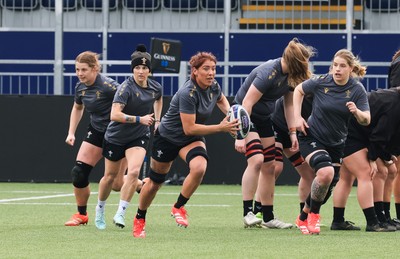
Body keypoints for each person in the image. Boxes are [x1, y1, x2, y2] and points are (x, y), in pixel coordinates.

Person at [132, 51, 239, 238]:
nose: (211, 73)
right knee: (155, 184)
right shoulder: (187, 93)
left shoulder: (213, 86)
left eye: (213, 68)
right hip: (167, 138)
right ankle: (140, 217)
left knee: (199, 167)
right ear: (195, 71)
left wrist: (231, 113)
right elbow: (189, 128)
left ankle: (179, 207)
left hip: (190, 139)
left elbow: (221, 99)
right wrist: (221, 127)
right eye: (206, 69)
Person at [234, 38, 316, 229]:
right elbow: (247, 103)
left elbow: (288, 105)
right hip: (244, 114)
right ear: (295, 62)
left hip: (263, 117)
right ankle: (248, 212)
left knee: (270, 166)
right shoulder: (268, 72)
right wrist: (241, 134)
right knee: (256, 160)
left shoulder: (290, 77)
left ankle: (268, 217)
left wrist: (293, 133)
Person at [293, 49, 371, 235]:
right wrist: (297, 117)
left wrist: (356, 112)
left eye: (342, 66)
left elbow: (366, 119)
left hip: (336, 143)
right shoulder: (321, 82)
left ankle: (303, 216)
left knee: (327, 184)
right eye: (334, 65)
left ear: (351, 68)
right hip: (311, 136)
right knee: (326, 172)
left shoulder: (356, 90)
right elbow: (298, 90)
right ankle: (314, 217)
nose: (337, 69)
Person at [94, 44, 163, 230]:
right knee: (110, 178)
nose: (141, 71)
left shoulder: (155, 87)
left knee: (133, 172)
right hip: (116, 136)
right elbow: (114, 115)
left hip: (138, 137)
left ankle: (121, 212)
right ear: (133, 69)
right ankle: (100, 209)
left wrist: (157, 120)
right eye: (137, 68)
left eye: (144, 68)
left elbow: (158, 98)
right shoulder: (125, 88)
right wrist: (140, 118)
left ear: (149, 70)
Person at [64, 51, 125, 226]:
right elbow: (77, 108)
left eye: (84, 69)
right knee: (78, 173)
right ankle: (82, 215)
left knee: (117, 185)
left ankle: (137, 184)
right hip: (97, 131)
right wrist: (71, 132)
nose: (80, 74)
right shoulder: (80, 87)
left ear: (95, 69)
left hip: (118, 134)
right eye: (77, 70)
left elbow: (128, 102)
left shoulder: (109, 86)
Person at [331, 87, 400, 232]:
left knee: (346, 178)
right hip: (348, 133)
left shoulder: (394, 99)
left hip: (354, 132)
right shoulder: (394, 104)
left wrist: (386, 155)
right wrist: (373, 158)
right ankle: (373, 222)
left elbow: (389, 133)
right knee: (369, 172)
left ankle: (338, 221)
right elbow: (380, 135)